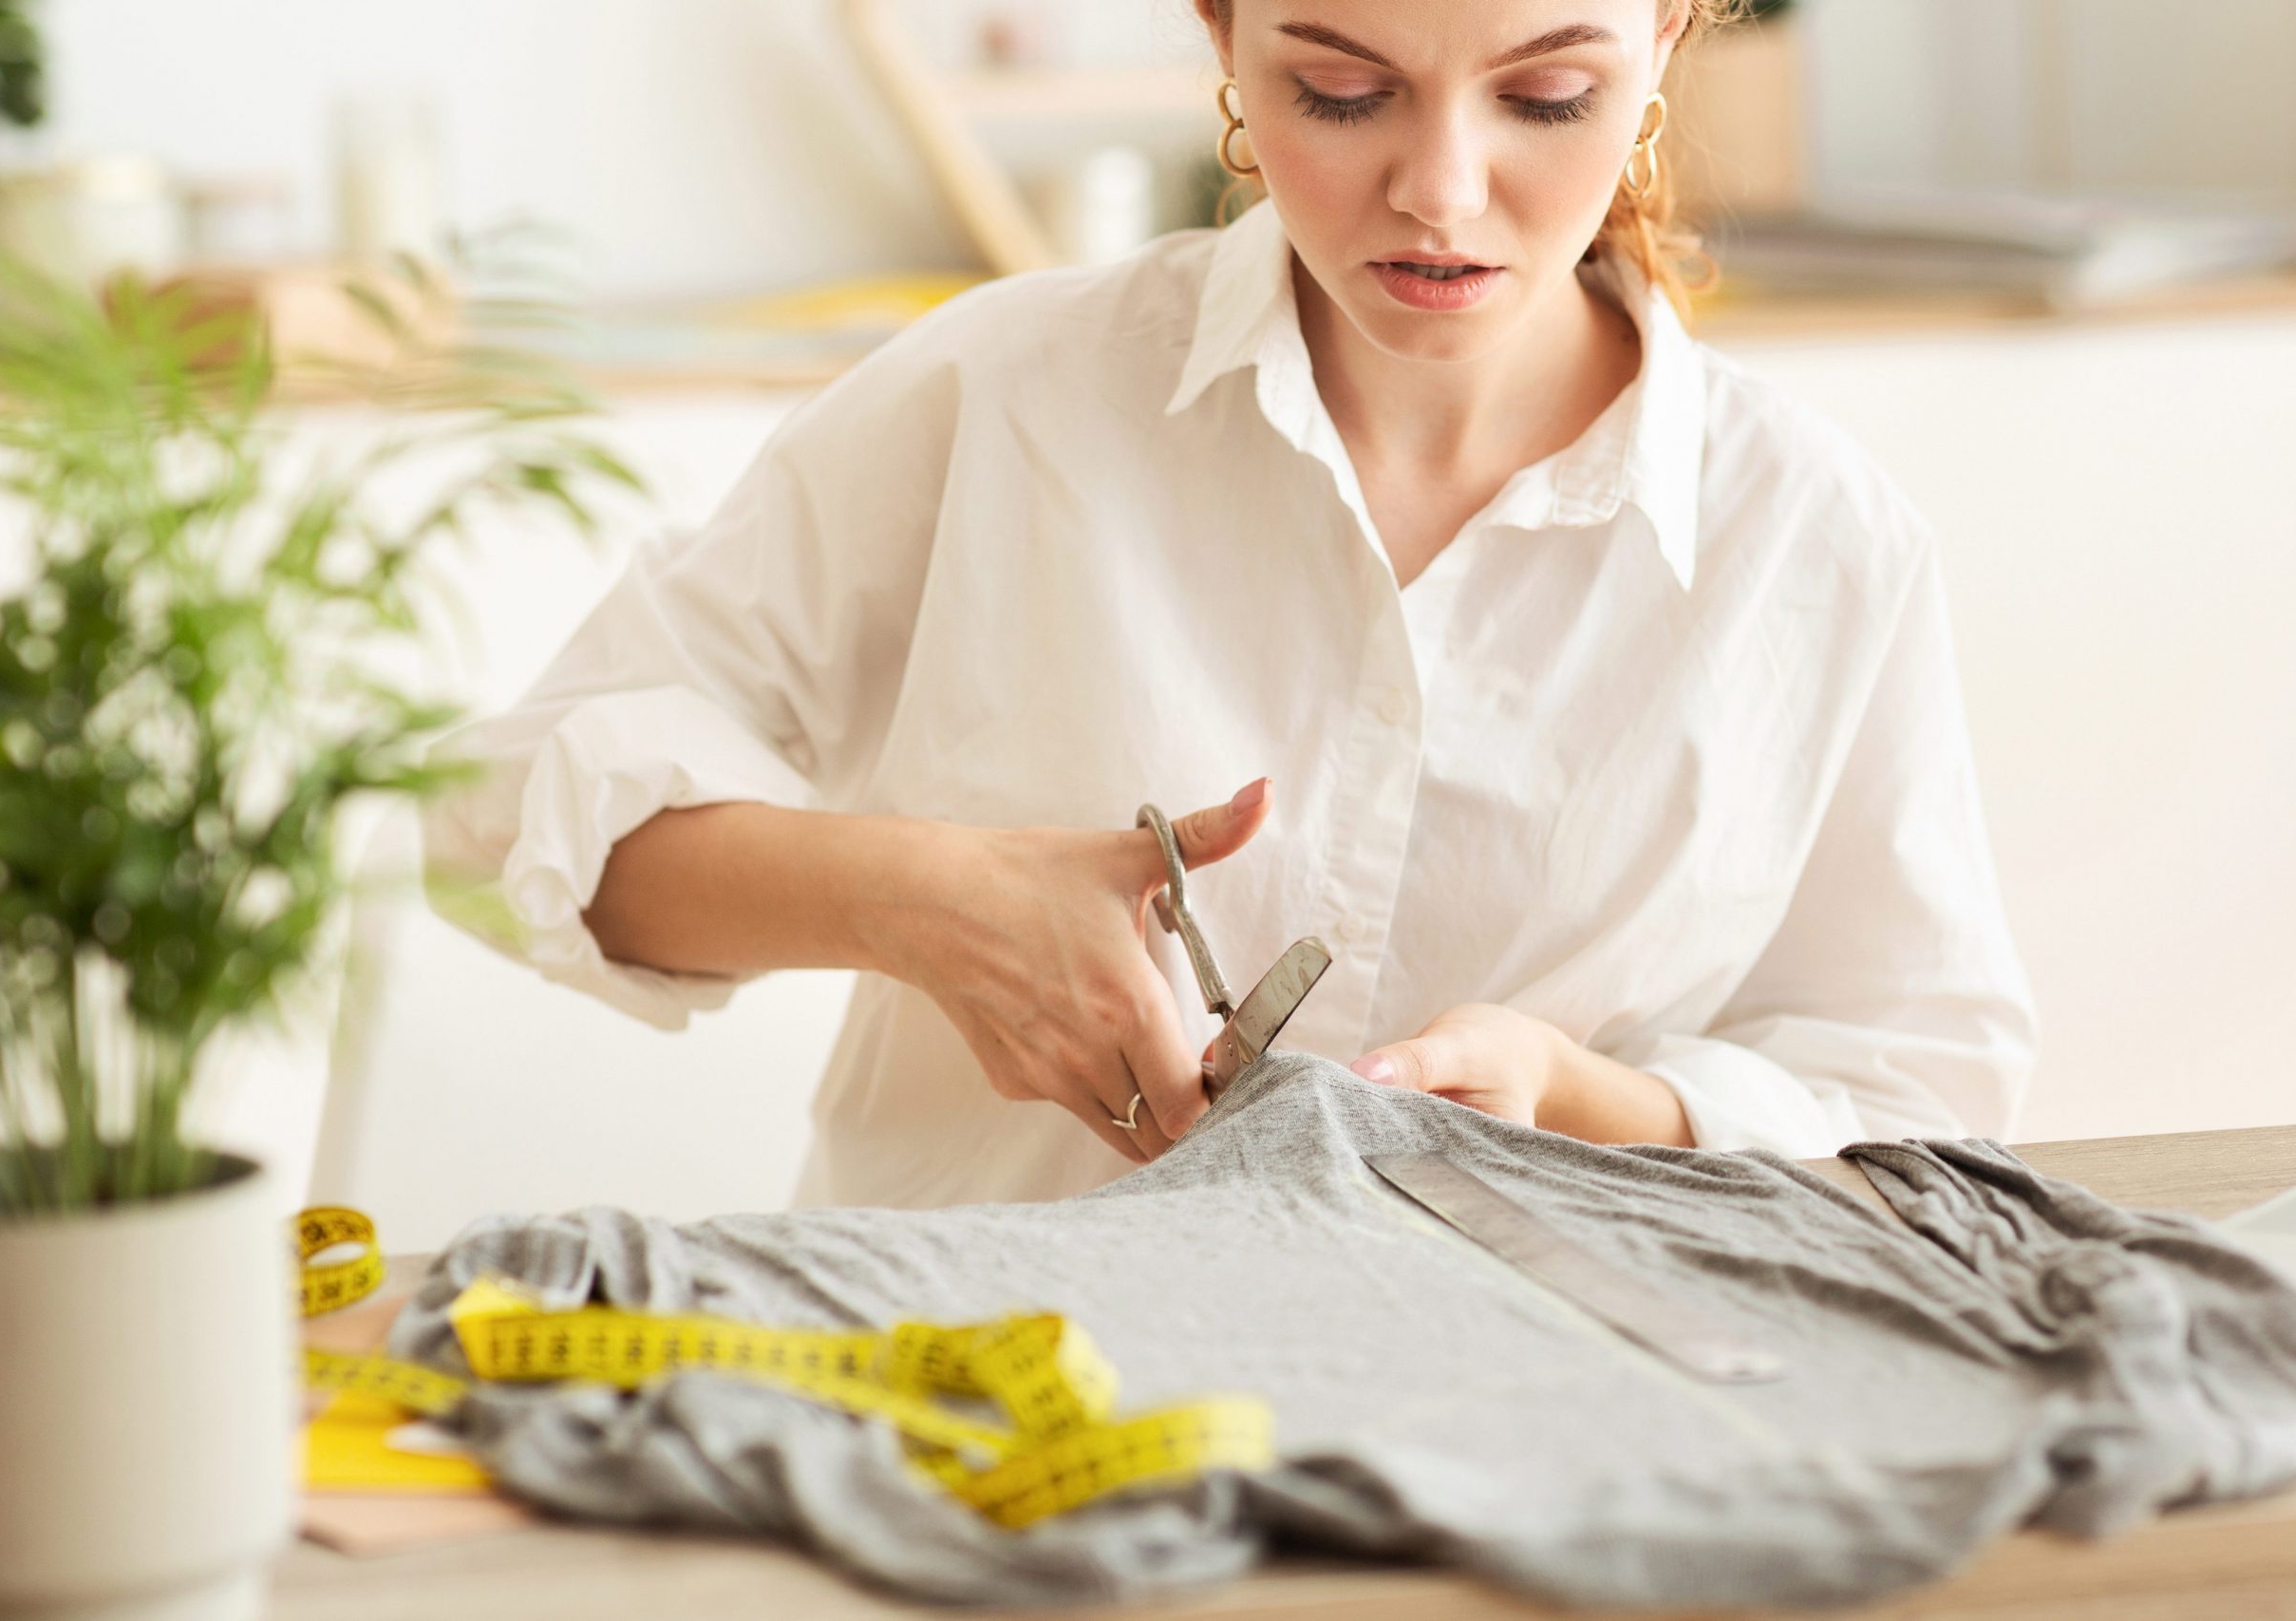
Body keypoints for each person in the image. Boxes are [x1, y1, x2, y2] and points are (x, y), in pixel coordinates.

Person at [422, 0, 2037, 1210]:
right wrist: (922, 902)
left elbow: (1922, 1098)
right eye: (1340, 92)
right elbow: (498, 827)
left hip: (1546, 1471)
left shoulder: (1813, 544)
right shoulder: (1006, 397)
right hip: (972, 1447)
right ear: (1219, 28)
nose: (1443, 192)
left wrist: (1589, 1099)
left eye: (1549, 96)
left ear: (1672, 33)